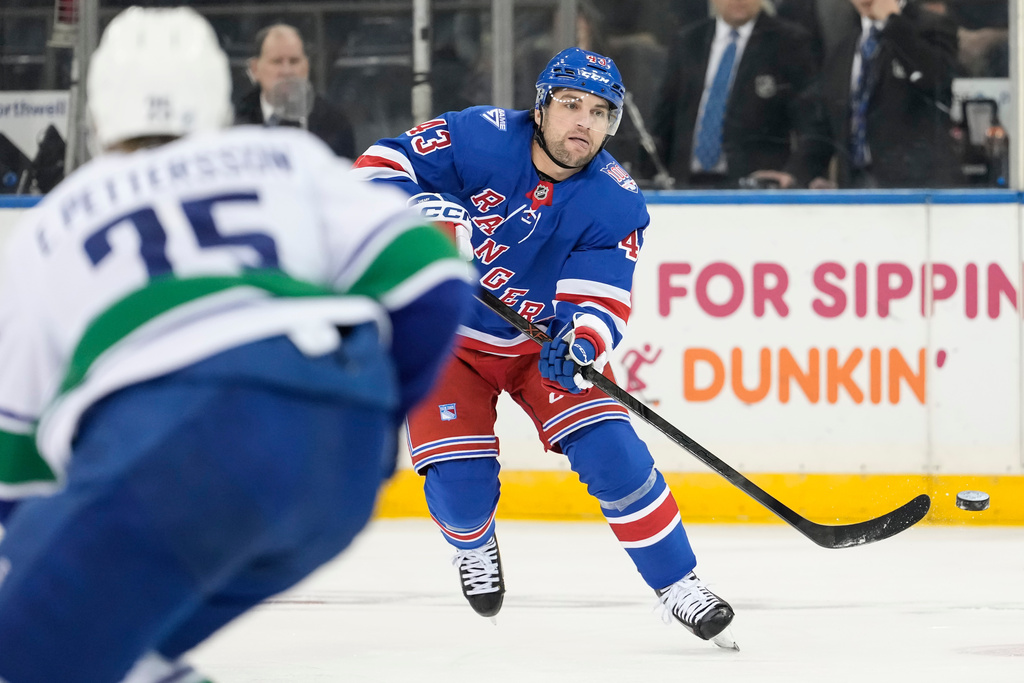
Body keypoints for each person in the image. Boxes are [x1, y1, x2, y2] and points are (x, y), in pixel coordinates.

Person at [0, 7, 471, 683]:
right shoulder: (285, 156)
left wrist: (49, 556)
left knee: (31, 649)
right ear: (220, 96)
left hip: (181, 443)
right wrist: (371, 422)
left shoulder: (53, 222)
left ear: (99, 108)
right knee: (120, 652)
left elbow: (17, 462)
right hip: (337, 465)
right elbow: (433, 279)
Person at [352, 47, 736, 646]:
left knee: (617, 458)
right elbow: (377, 164)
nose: (583, 121)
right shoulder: (476, 137)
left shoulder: (616, 200)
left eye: (600, 112)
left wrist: (581, 339)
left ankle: (679, 585)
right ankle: (473, 545)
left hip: (540, 346)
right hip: (449, 338)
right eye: (571, 104)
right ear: (540, 106)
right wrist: (415, 209)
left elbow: (603, 294)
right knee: (459, 488)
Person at [649, 0, 821, 188]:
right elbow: (664, 117)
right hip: (685, 183)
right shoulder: (688, 41)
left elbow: (811, 119)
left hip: (757, 186)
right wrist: (649, 174)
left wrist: (794, 173)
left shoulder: (789, 41)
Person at [797, 0, 963, 188]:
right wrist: (795, 175)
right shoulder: (844, 47)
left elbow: (936, 80)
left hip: (918, 192)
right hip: (858, 187)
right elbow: (826, 123)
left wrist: (893, 22)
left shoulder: (932, 25)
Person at [234, 23, 356, 159]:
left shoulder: (334, 124)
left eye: (294, 61)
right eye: (277, 61)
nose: (287, 71)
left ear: (307, 66)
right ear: (255, 69)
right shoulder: (235, 123)